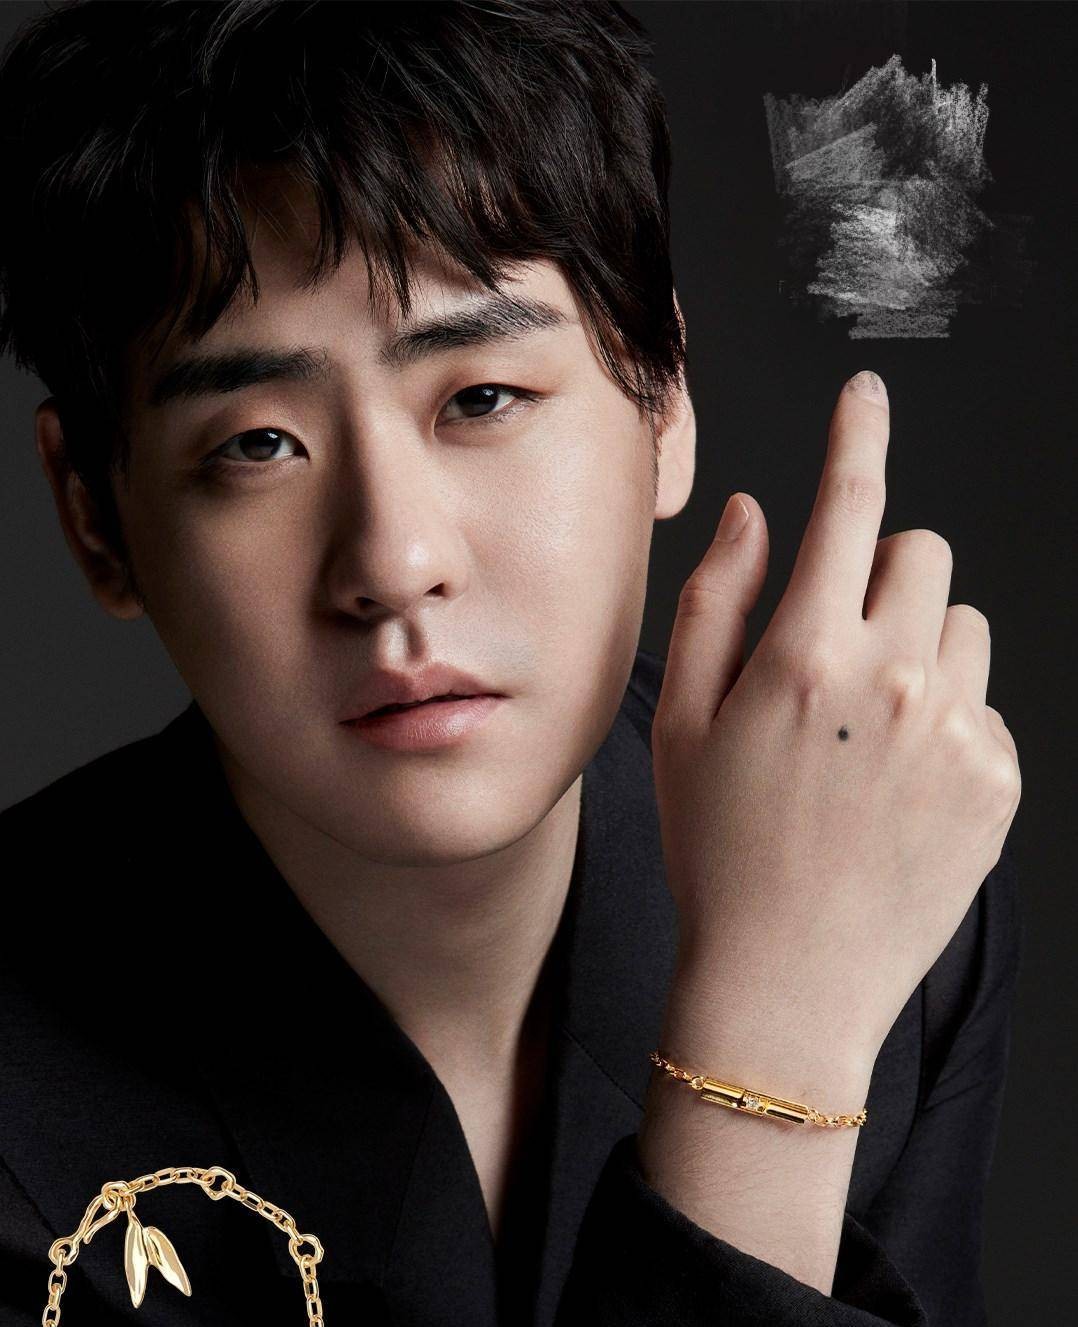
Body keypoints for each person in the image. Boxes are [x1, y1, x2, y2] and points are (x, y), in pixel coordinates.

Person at [0, 3, 1022, 1325]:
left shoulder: (863, 849)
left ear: (663, 401)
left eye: (481, 399)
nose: (395, 559)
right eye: (256, 444)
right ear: (95, 517)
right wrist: (767, 1056)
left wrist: (799, 977)